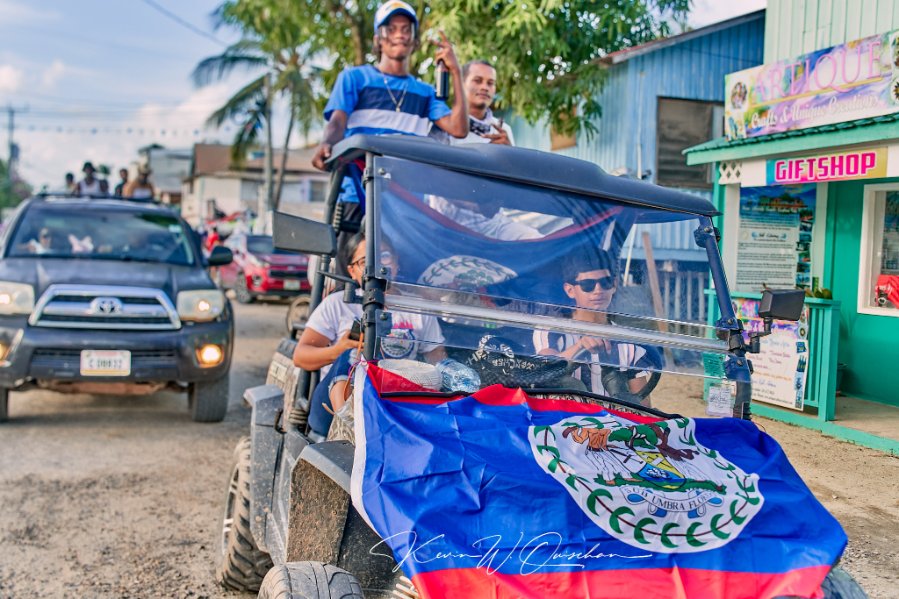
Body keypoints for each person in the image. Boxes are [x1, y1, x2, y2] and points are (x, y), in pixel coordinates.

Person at [294, 232, 446, 437]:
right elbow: (300, 356)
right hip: (331, 413)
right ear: (352, 271)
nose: (377, 266)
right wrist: (338, 350)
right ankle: (348, 425)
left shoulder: (416, 307)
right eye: (365, 260)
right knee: (351, 356)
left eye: (384, 255)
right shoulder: (339, 304)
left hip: (394, 406)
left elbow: (438, 362)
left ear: (396, 261)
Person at [311, 0, 468, 188]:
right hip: (358, 193)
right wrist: (326, 143)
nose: (399, 35)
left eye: (406, 29)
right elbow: (337, 122)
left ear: (415, 40)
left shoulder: (425, 92)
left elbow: (458, 129)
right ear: (378, 39)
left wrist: (456, 72)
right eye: (391, 29)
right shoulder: (355, 78)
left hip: (408, 197)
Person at [533, 252, 660, 405]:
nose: (598, 290)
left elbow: (643, 407)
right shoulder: (550, 330)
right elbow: (544, 372)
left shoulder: (629, 343)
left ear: (614, 285)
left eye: (605, 282)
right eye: (588, 285)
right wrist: (579, 346)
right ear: (570, 290)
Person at [432, 59, 514, 146]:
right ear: (461, 84)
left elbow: (512, 159)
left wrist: (508, 152)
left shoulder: (503, 131)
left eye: (490, 83)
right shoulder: (445, 123)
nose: (485, 87)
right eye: (477, 80)